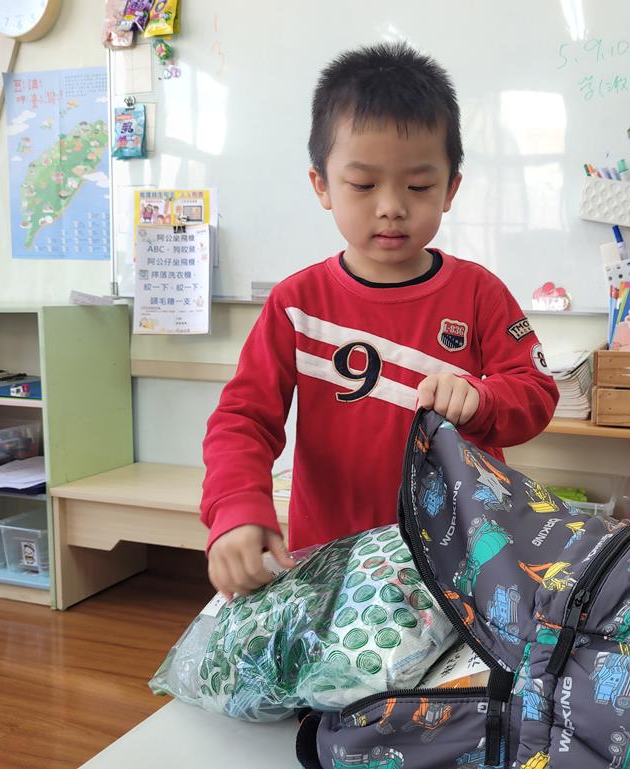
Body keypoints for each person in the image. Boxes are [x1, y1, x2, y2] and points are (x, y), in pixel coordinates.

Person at [201, 42, 559, 599]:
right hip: (335, 562)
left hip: (462, 559)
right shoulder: (297, 304)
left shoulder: (479, 292)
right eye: (364, 185)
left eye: (418, 186)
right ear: (321, 185)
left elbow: (536, 393)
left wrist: (482, 398)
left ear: (451, 189)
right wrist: (235, 504)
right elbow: (243, 418)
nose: (392, 206)